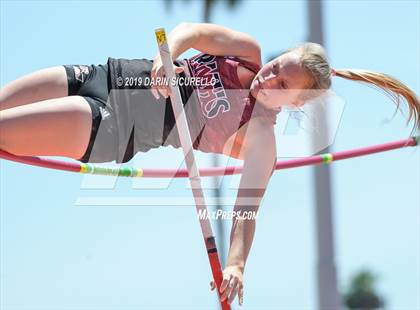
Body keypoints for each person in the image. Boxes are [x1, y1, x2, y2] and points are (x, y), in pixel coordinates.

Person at [0, 22, 418, 306]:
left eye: (282, 85)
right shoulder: (247, 52)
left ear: (296, 104)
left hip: (113, 125)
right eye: (275, 68)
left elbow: (244, 213)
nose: (267, 79)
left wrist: (236, 263)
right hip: (104, 74)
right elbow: (189, 32)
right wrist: (167, 56)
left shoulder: (260, 140)